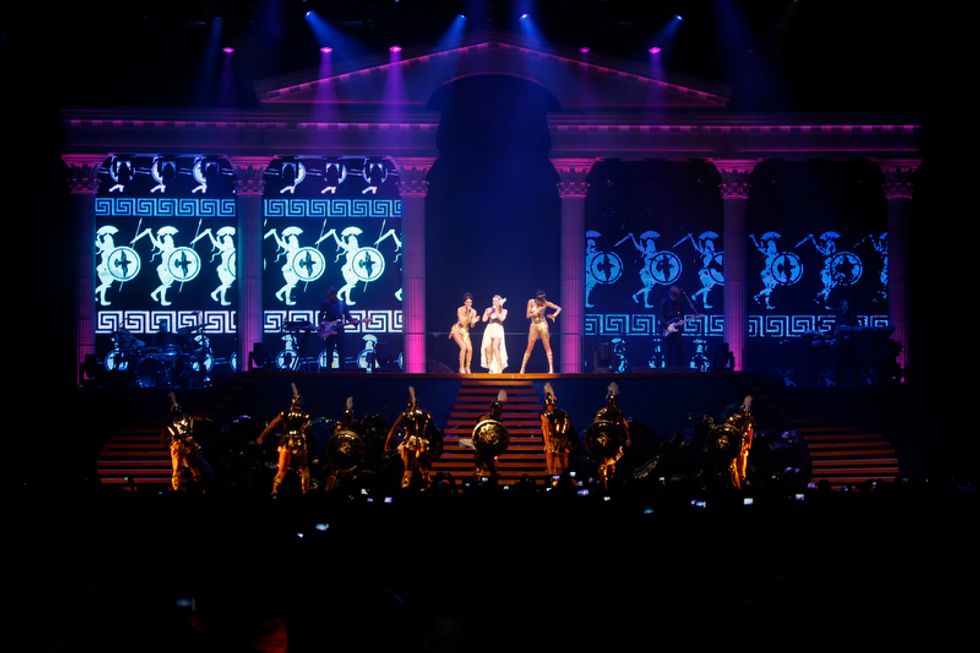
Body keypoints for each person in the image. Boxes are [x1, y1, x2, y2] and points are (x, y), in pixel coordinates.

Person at [257, 383, 313, 496]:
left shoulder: (286, 413)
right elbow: (308, 432)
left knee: (282, 469)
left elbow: (271, 425)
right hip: (299, 442)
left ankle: (275, 490)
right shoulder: (305, 415)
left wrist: (261, 437)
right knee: (304, 469)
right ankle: (305, 492)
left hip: (288, 441)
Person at [385, 387, 437, 489]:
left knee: (409, 468)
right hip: (422, 444)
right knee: (421, 468)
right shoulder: (424, 415)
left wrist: (386, 443)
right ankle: (424, 485)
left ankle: (408, 485)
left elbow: (393, 429)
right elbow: (434, 431)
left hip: (411, 443)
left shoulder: (407, 415)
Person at [164, 392, 208, 491]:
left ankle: (199, 487)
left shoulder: (187, 419)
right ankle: (177, 488)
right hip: (179, 445)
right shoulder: (171, 422)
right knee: (179, 469)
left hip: (187, 445)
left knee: (193, 468)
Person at [319, 286, 361, 370]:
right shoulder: (325, 303)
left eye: (331, 294)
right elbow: (320, 315)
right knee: (329, 351)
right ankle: (328, 370)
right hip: (329, 330)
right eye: (329, 294)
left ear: (335, 294)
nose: (330, 296)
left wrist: (354, 322)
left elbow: (348, 316)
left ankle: (342, 371)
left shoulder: (342, 304)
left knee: (341, 351)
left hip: (339, 330)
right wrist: (322, 323)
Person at [519, 290, 562, 374]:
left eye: (542, 301)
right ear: (537, 299)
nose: (541, 303)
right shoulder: (531, 302)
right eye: (540, 301)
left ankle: (551, 368)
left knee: (547, 346)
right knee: (529, 347)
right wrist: (536, 311)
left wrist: (554, 315)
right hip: (534, 325)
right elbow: (527, 315)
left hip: (542, 325)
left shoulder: (545, 303)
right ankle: (522, 368)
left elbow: (559, 308)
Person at [660, 285, 700, 369]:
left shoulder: (681, 303)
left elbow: (681, 316)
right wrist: (667, 326)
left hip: (677, 330)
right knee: (668, 353)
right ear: (670, 294)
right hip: (666, 330)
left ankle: (679, 371)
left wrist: (681, 322)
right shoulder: (664, 302)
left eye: (677, 296)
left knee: (679, 351)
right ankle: (667, 371)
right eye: (674, 296)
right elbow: (660, 316)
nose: (675, 298)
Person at [540, 383, 574, 479]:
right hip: (551, 440)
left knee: (563, 462)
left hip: (562, 440)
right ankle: (550, 477)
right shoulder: (545, 416)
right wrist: (547, 443)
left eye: (550, 405)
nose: (549, 407)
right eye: (548, 405)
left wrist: (567, 443)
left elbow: (567, 427)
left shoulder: (562, 414)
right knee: (551, 459)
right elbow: (545, 429)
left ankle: (564, 478)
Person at [450, 292, 479, 374]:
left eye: (470, 302)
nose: (469, 304)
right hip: (457, 330)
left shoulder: (474, 311)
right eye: (467, 302)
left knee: (470, 349)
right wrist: (468, 314)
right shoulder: (460, 309)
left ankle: (468, 367)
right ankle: (461, 367)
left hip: (465, 332)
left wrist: (474, 322)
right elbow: (462, 323)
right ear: (464, 302)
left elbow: (472, 326)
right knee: (463, 347)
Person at [480, 295, 509, 374]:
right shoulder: (489, 309)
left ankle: (500, 366)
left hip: (498, 329)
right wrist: (488, 312)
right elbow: (484, 320)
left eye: (496, 301)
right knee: (488, 348)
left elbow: (502, 318)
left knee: (495, 347)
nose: (494, 302)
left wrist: (496, 310)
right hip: (489, 328)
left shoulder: (504, 310)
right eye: (493, 301)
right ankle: (491, 368)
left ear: (499, 302)